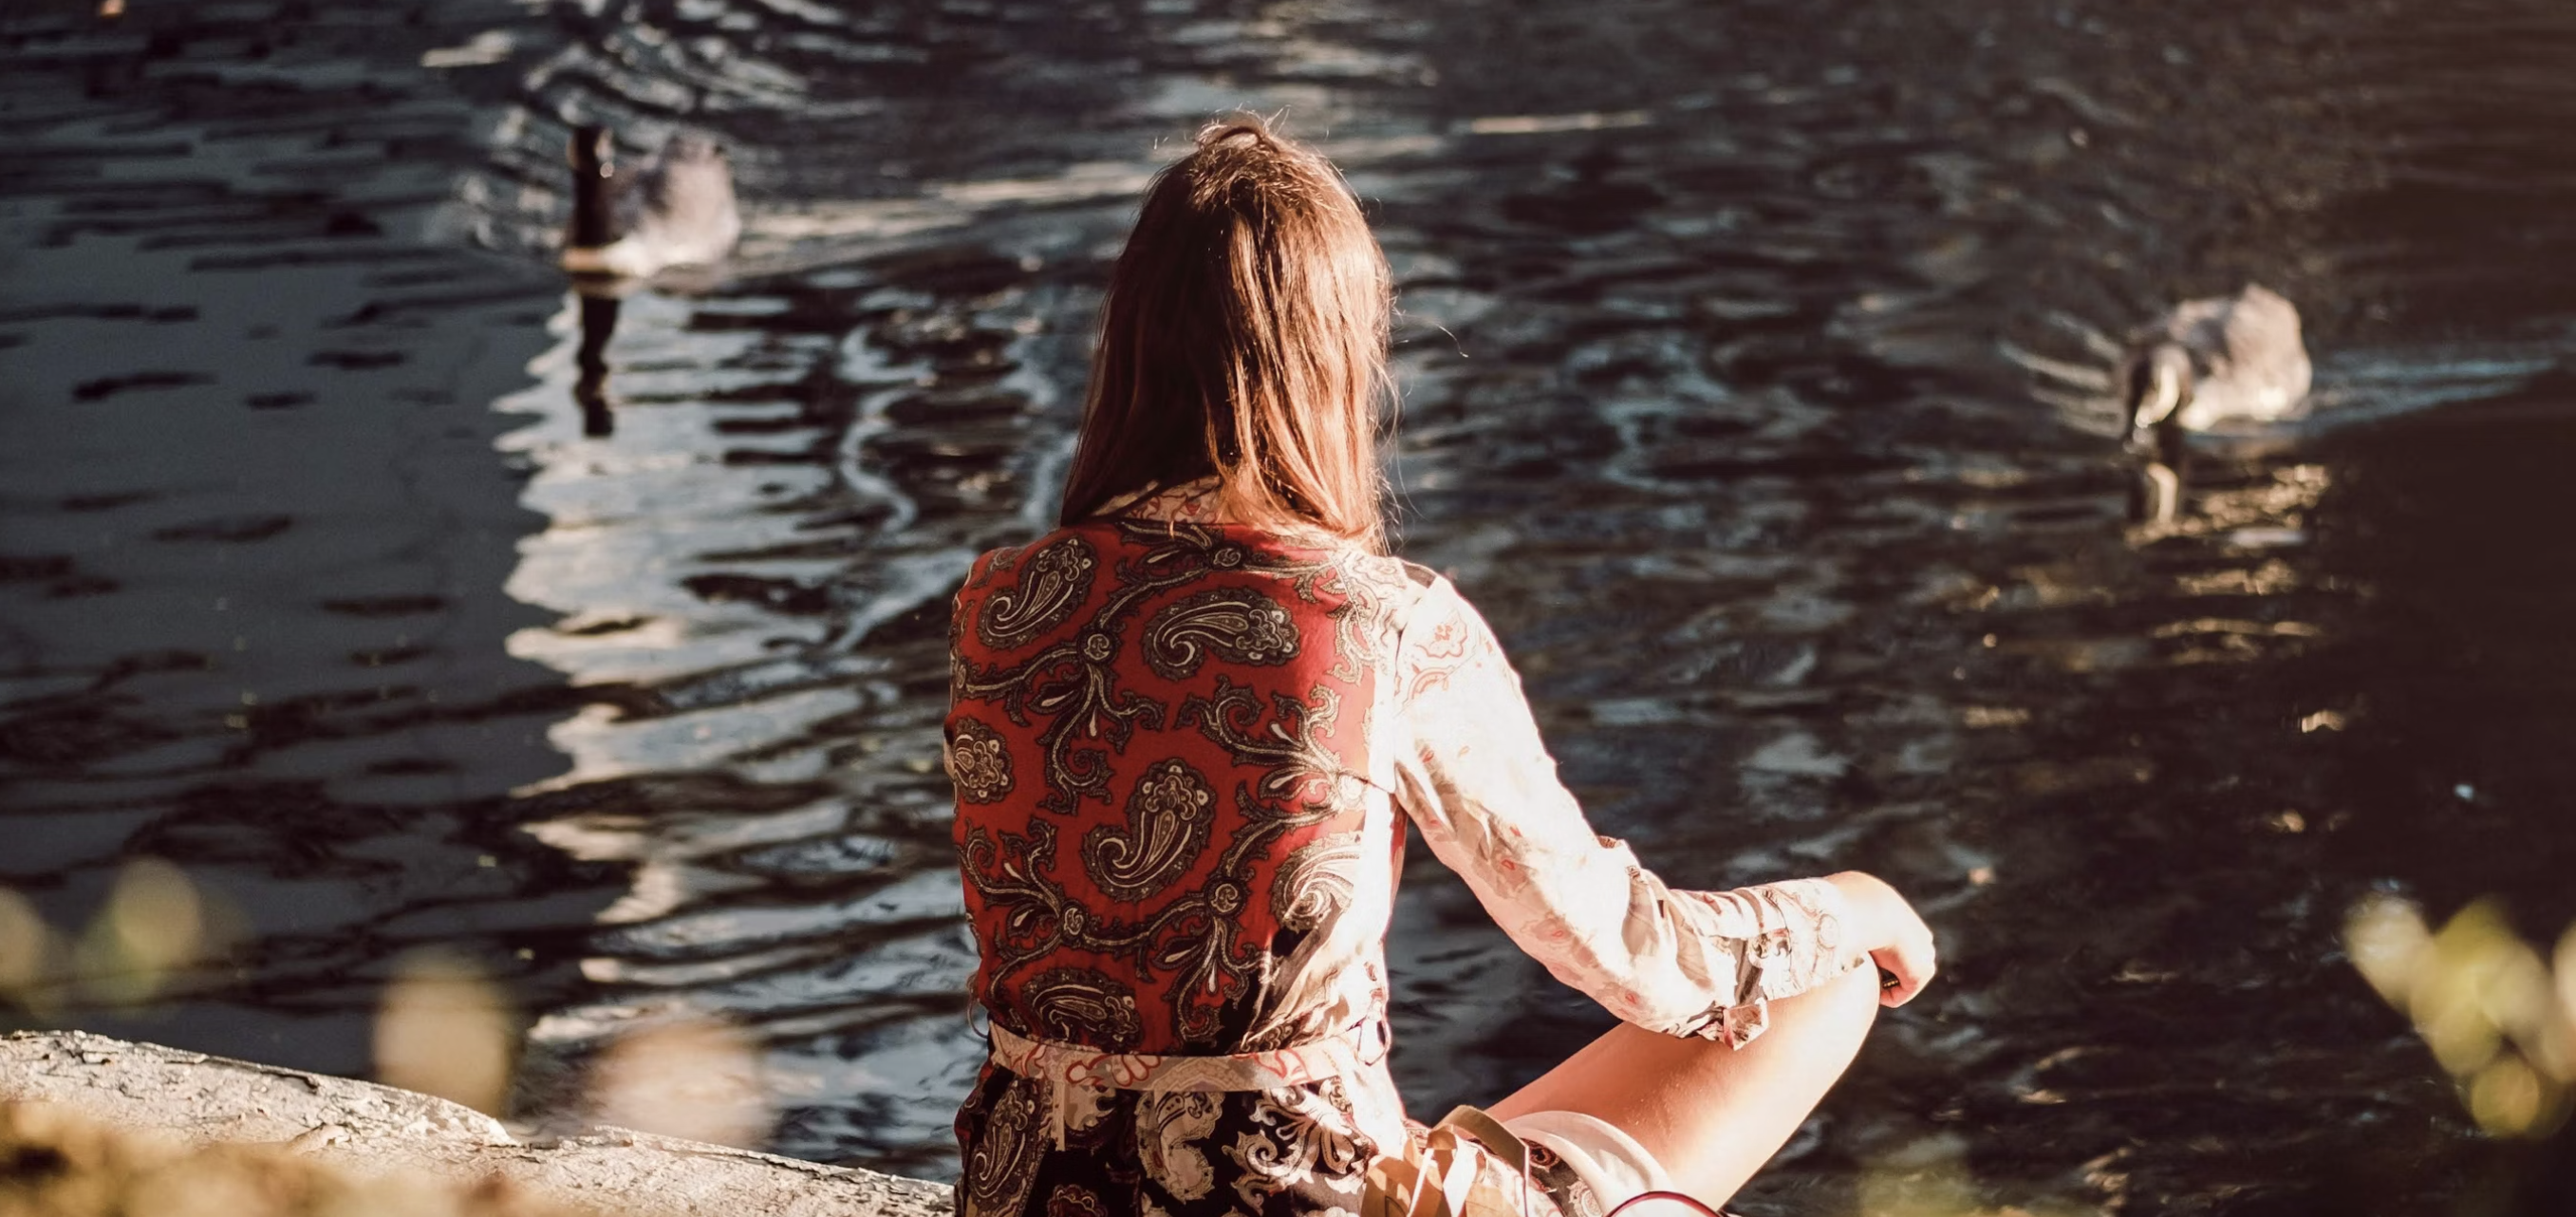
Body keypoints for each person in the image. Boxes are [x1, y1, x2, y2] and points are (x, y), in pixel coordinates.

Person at [944, 116, 1935, 1217]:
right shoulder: (1383, 626)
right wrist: (1853, 904)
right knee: (1820, 985)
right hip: (1289, 1201)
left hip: (1029, 1196)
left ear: (1127, 343)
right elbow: (1632, 952)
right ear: (1335, 362)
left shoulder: (1000, 601)